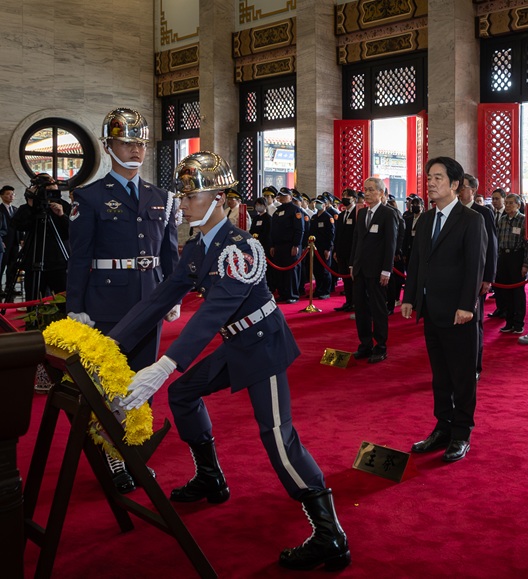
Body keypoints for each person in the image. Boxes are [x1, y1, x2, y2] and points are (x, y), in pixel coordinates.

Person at [108, 151, 350, 571]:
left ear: (219, 199)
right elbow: (159, 299)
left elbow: (209, 316)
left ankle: (331, 534)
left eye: (191, 196)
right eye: (182, 196)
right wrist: (107, 344)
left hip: (264, 344)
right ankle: (211, 477)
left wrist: (163, 366)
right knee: (184, 394)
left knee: (276, 435)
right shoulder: (199, 245)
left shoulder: (241, 248)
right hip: (237, 343)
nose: (182, 204)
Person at [66, 109, 180, 494]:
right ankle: (116, 460)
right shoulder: (89, 196)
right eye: (126, 142)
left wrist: (172, 293)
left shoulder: (160, 196)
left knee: (140, 381)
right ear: (108, 146)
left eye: (140, 143)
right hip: (105, 300)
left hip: (149, 298)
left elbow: (169, 252)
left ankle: (134, 453)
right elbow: (79, 257)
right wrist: (75, 307)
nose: (135, 150)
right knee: (108, 384)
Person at [401, 156, 485, 463]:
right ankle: (443, 426)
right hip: (431, 310)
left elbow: (475, 266)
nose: (431, 183)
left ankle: (461, 433)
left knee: (462, 375)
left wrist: (467, 305)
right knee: (440, 375)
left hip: (458, 313)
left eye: (438, 178)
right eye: (429, 177)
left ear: (454, 184)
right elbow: (417, 262)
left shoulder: (471, 219)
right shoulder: (425, 219)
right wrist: (410, 297)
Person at [350, 177, 399, 363]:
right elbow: (357, 240)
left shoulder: (388, 213)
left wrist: (387, 269)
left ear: (381, 192)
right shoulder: (362, 213)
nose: (367, 193)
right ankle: (365, 344)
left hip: (378, 270)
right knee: (361, 309)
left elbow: (390, 244)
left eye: (371, 190)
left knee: (378, 309)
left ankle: (381, 346)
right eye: (365, 190)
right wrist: (352, 264)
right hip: (360, 269)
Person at [460, 174, 497, 378]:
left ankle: (474, 366)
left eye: (463, 187)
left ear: (473, 190)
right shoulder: (451, 212)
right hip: (455, 277)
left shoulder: (483, 212)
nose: (459, 191)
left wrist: (488, 277)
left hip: (477, 278)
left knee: (474, 323)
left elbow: (491, 246)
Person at [12, 175, 71, 303]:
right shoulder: (29, 207)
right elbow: (17, 225)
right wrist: (31, 207)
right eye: (47, 191)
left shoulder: (64, 206)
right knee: (33, 300)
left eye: (54, 191)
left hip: (58, 259)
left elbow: (70, 232)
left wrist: (61, 215)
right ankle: (33, 322)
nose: (50, 194)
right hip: (34, 258)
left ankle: (65, 322)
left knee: (63, 300)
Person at [495, 194, 528, 334]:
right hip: (504, 257)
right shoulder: (502, 220)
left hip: (517, 256)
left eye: (511, 203)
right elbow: (498, 241)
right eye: (507, 203)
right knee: (506, 291)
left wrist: (526, 265)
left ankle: (518, 323)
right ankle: (508, 322)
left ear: (518, 205)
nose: (508, 205)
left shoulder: (523, 220)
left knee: (517, 292)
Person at [269, 187, 306, 304]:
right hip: (278, 246)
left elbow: (299, 229)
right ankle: (283, 293)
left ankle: (293, 294)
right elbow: (273, 230)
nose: (282, 198)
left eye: (285, 196)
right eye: (281, 196)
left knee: (291, 271)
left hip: (291, 245)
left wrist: (296, 245)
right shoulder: (277, 211)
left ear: (290, 197)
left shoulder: (295, 210)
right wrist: (272, 245)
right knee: (280, 271)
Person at [333, 190, 359, 312]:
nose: (344, 198)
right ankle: (348, 301)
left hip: (352, 252)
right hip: (342, 251)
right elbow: (337, 234)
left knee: (353, 279)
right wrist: (336, 251)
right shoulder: (342, 214)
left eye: (347, 196)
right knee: (345, 279)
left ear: (354, 198)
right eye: (343, 196)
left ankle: (355, 302)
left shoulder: (357, 213)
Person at [310, 197, 335, 300]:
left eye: (320, 203)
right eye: (317, 203)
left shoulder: (328, 217)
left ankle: (326, 291)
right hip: (314, 247)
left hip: (324, 247)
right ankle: (318, 289)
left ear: (325, 205)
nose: (318, 205)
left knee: (325, 270)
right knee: (316, 270)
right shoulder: (314, 217)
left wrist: (328, 248)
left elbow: (331, 234)